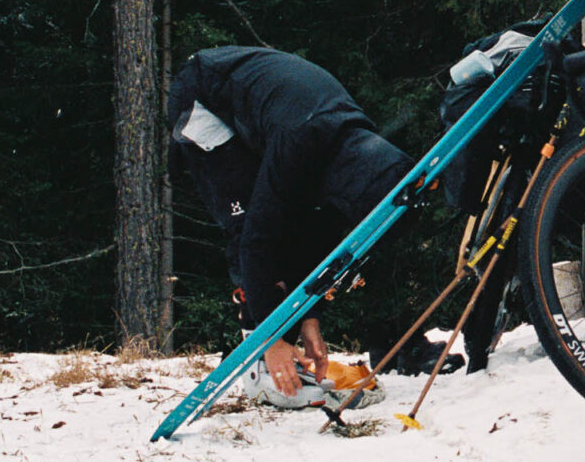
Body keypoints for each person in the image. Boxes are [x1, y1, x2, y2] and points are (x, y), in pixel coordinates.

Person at [167, 46, 412, 401]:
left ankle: (278, 348)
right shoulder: (302, 141)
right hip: (201, 94)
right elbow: (257, 241)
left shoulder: (352, 145)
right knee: (248, 215)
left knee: (292, 221)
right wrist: (272, 338)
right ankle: (259, 363)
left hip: (274, 111)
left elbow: (318, 233)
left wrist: (310, 316)